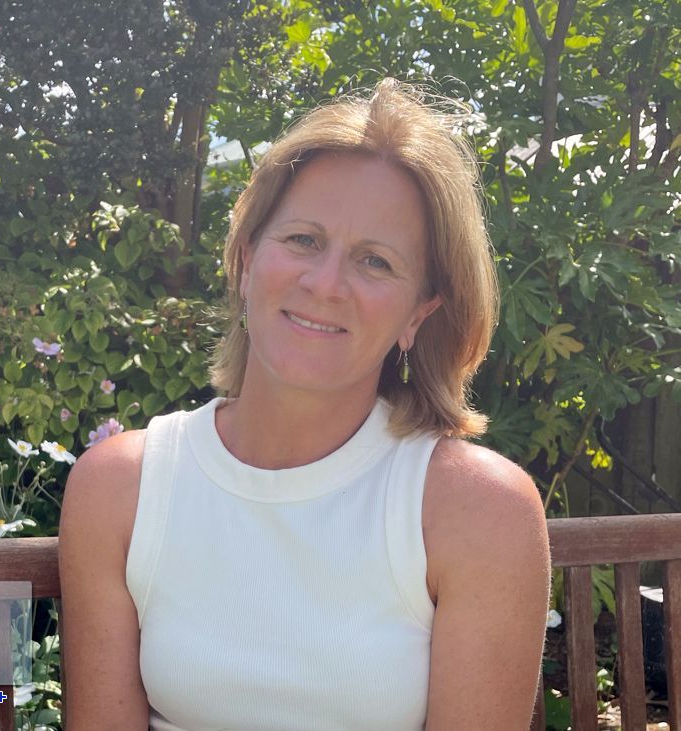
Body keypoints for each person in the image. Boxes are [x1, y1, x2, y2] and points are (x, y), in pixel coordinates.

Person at [58, 78, 551, 731]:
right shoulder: (119, 488)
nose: (325, 285)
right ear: (243, 258)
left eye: (374, 261)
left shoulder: (477, 512)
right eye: (303, 240)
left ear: (418, 313)